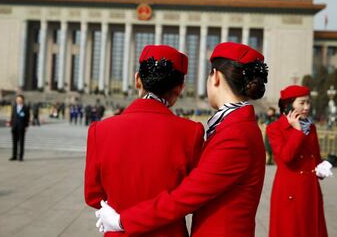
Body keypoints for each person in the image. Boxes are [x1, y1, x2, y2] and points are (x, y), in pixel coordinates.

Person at [96, 42, 268, 236]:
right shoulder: (233, 126)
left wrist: (121, 220)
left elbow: (186, 196)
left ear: (216, 77)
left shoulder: (237, 135)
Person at [84, 45, 205, 236]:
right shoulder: (191, 133)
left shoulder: (100, 130)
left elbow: (93, 196)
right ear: (179, 88)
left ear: (137, 79)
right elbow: (191, 199)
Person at [267, 85, 331, 237]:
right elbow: (286, 157)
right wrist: (297, 131)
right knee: (290, 230)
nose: (307, 107)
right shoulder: (274, 128)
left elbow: (315, 157)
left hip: (310, 189)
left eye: (308, 102)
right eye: (302, 103)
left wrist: (322, 169)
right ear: (289, 104)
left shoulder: (311, 127)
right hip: (289, 191)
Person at [9, 94, 30, 161]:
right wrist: (11, 125)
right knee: (14, 142)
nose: (18, 101)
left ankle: (20, 156)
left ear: (23, 100)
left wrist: (26, 126)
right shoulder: (14, 107)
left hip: (22, 127)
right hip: (14, 127)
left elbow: (27, 118)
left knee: (21, 142)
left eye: (20, 100)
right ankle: (14, 156)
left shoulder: (25, 108)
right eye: (17, 100)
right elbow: (12, 117)